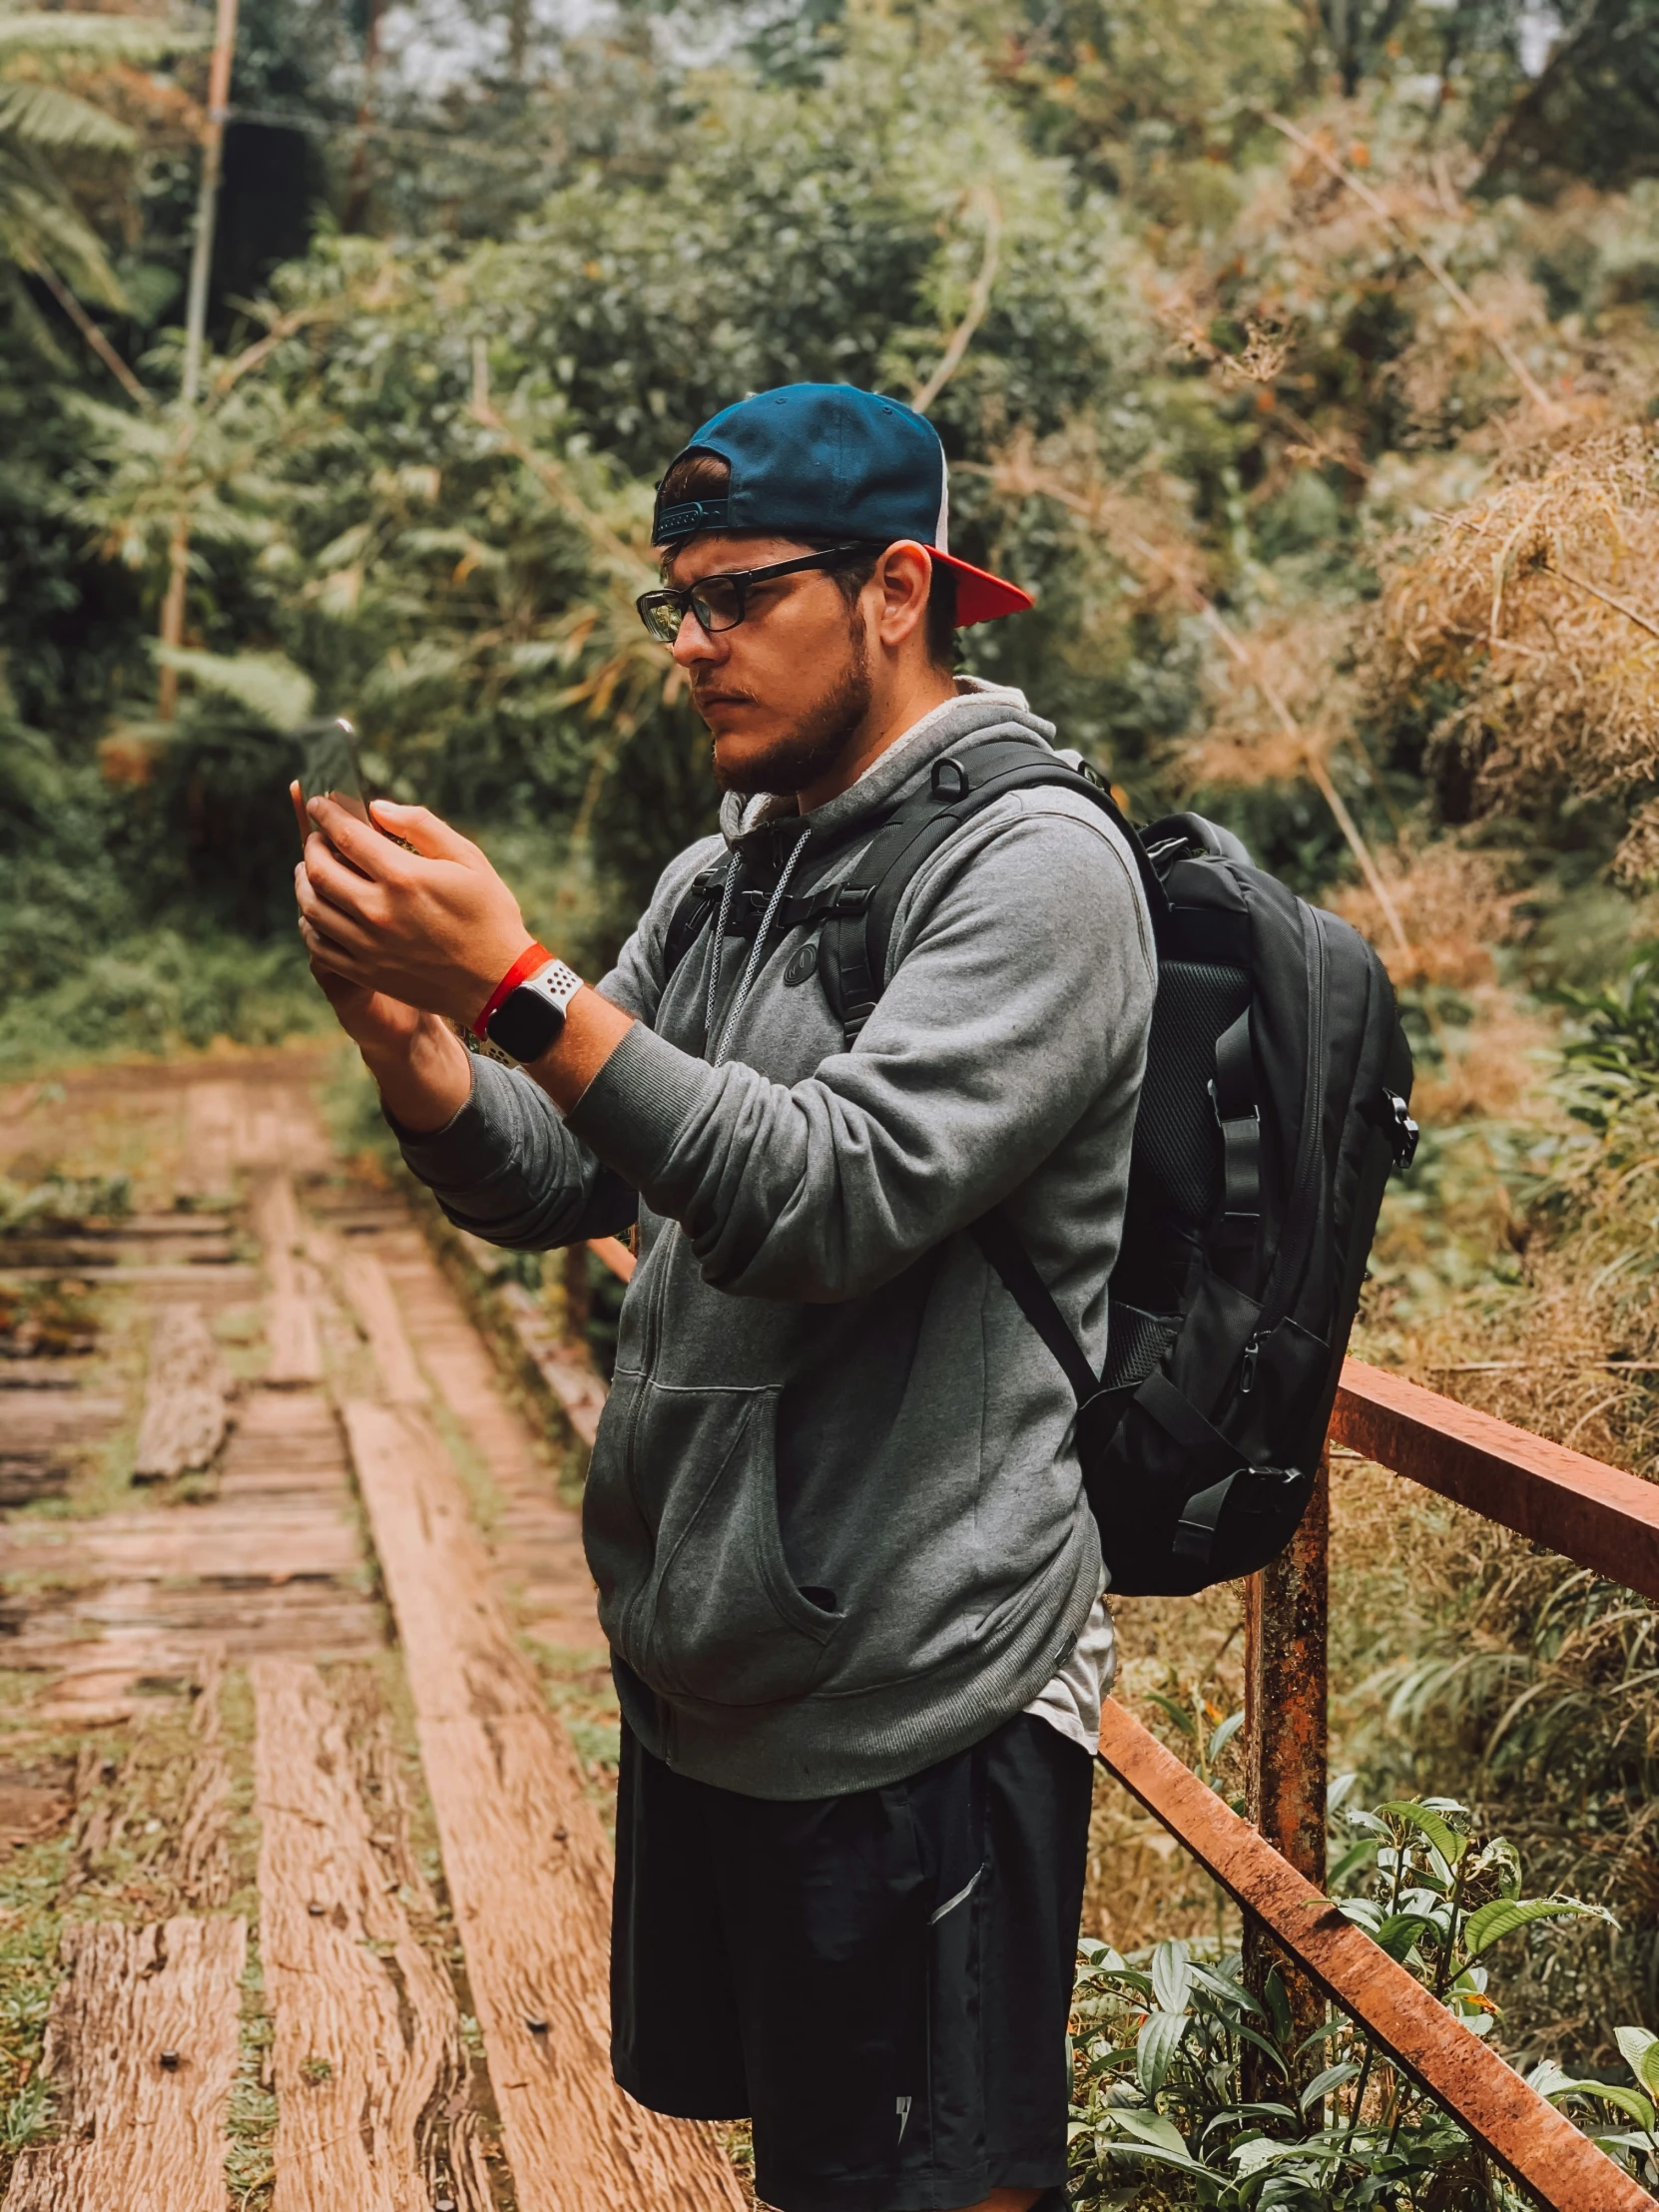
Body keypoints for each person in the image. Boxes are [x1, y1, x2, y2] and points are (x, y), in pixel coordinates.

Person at [293, 382, 1157, 2212]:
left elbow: (831, 1198)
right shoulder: (728, 872)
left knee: (931, 2189)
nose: (690, 646)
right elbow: (567, 1171)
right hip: (730, 1675)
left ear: (897, 587)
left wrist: (515, 980)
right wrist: (420, 1050)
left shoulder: (1036, 871)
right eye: (670, 601)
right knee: (810, 2174)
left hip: (928, 1685)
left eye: (736, 596)